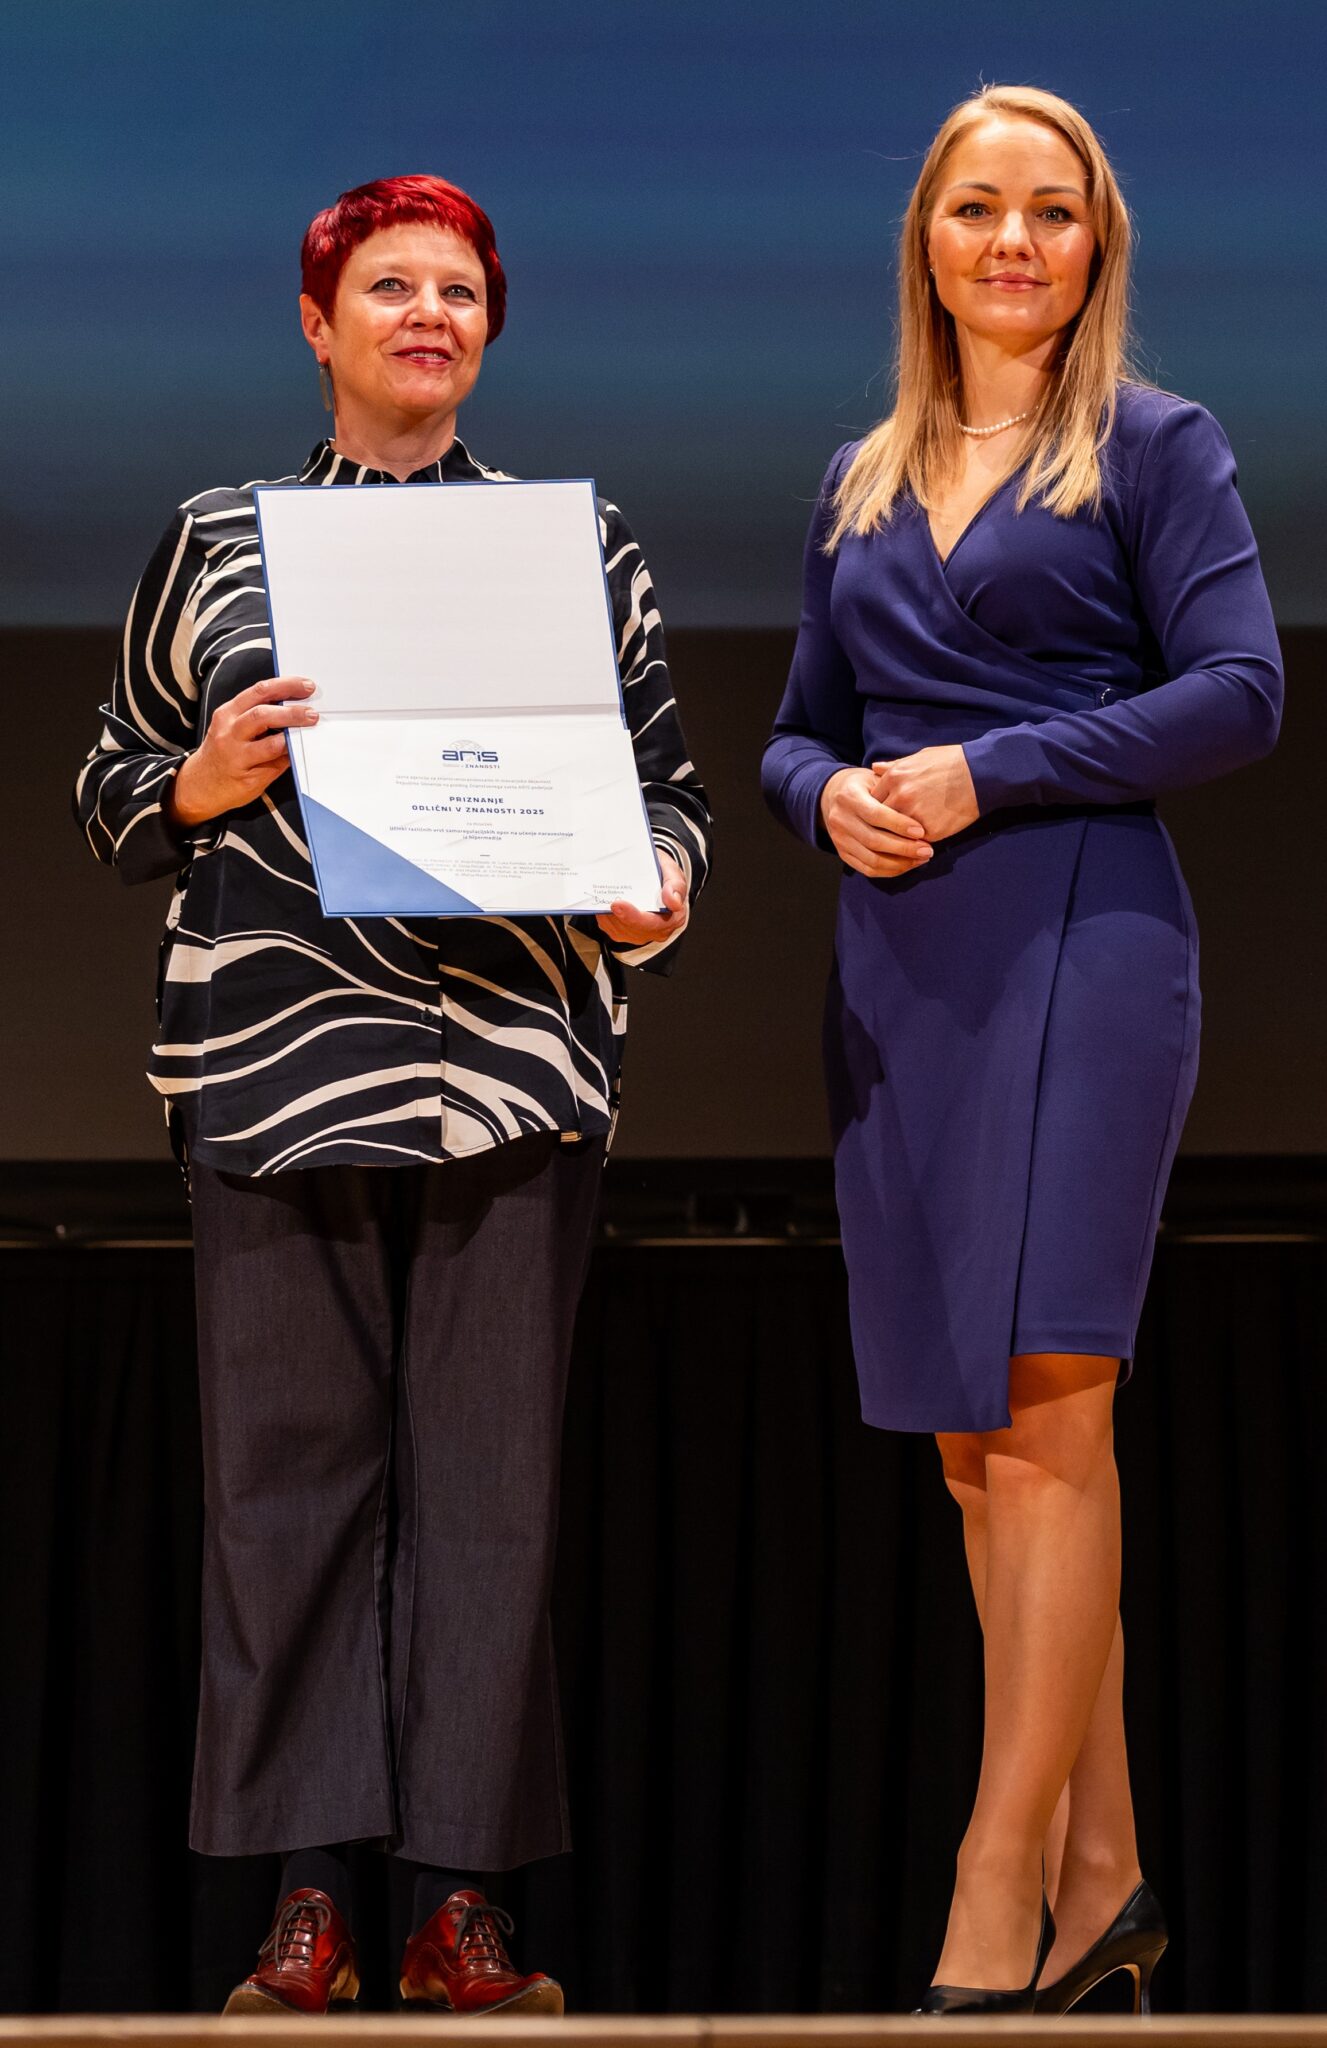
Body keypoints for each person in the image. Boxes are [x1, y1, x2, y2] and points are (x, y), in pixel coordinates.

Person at [75, 173, 711, 2019]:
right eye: (389, 286)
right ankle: (307, 1903)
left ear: (488, 331)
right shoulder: (216, 540)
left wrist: (654, 891)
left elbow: (667, 798)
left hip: (510, 1068)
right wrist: (198, 777)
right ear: (318, 322)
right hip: (275, 1072)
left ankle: (457, 1905)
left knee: (491, 1498)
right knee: (284, 1497)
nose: (428, 314)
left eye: (459, 291)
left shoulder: (578, 547)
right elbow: (112, 787)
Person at [762, 86, 1281, 2016]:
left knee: (1055, 1407)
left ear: (1097, 245)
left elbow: (1243, 690)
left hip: (1081, 934)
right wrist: (824, 800)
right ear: (927, 237)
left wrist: (993, 770)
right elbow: (799, 725)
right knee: (975, 1458)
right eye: (978, 207)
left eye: (1051, 213)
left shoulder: (1157, 446)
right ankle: (1107, 1876)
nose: (1012, 242)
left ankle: (994, 1898)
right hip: (901, 967)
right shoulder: (861, 474)